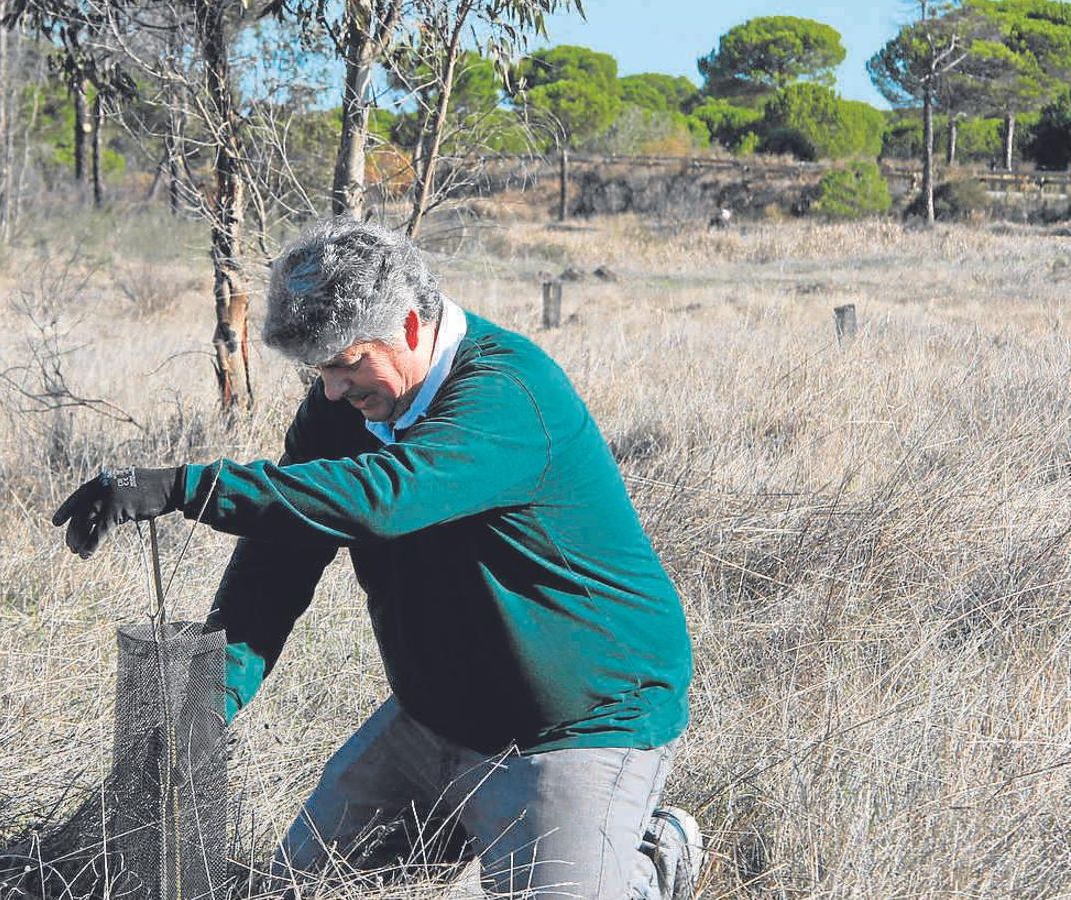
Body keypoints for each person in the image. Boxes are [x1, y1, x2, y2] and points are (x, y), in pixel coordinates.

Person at [51, 218, 702, 899]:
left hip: (577, 722)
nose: (332, 390)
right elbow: (280, 560)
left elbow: (380, 499)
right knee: (295, 892)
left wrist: (189, 487)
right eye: (320, 371)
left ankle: (649, 859)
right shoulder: (344, 408)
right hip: (434, 718)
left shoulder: (508, 393)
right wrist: (209, 702)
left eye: (346, 363)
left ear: (412, 328)